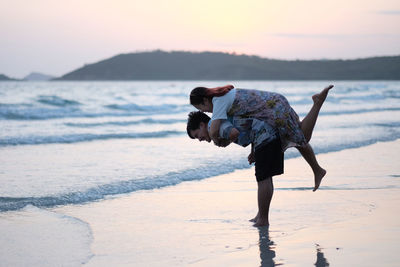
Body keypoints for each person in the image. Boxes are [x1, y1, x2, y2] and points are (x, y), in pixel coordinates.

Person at [188, 85, 333, 226]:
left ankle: (317, 104)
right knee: (297, 138)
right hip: (269, 113)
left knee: (300, 139)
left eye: (197, 136)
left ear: (202, 124)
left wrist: (219, 141)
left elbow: (227, 132)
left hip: (272, 112)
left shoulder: (217, 109)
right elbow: (249, 121)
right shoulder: (223, 107)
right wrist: (254, 150)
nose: (200, 139)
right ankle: (317, 170)